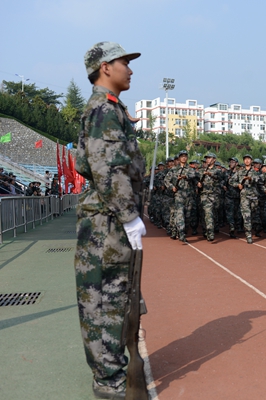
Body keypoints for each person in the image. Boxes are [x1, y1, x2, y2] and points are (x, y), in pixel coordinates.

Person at [74, 41, 146, 399]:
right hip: (107, 223)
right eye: (124, 63)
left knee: (118, 297)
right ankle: (109, 384)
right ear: (105, 67)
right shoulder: (104, 109)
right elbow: (107, 168)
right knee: (104, 303)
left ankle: (112, 377)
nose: (130, 70)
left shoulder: (112, 108)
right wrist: (129, 216)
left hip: (109, 219)